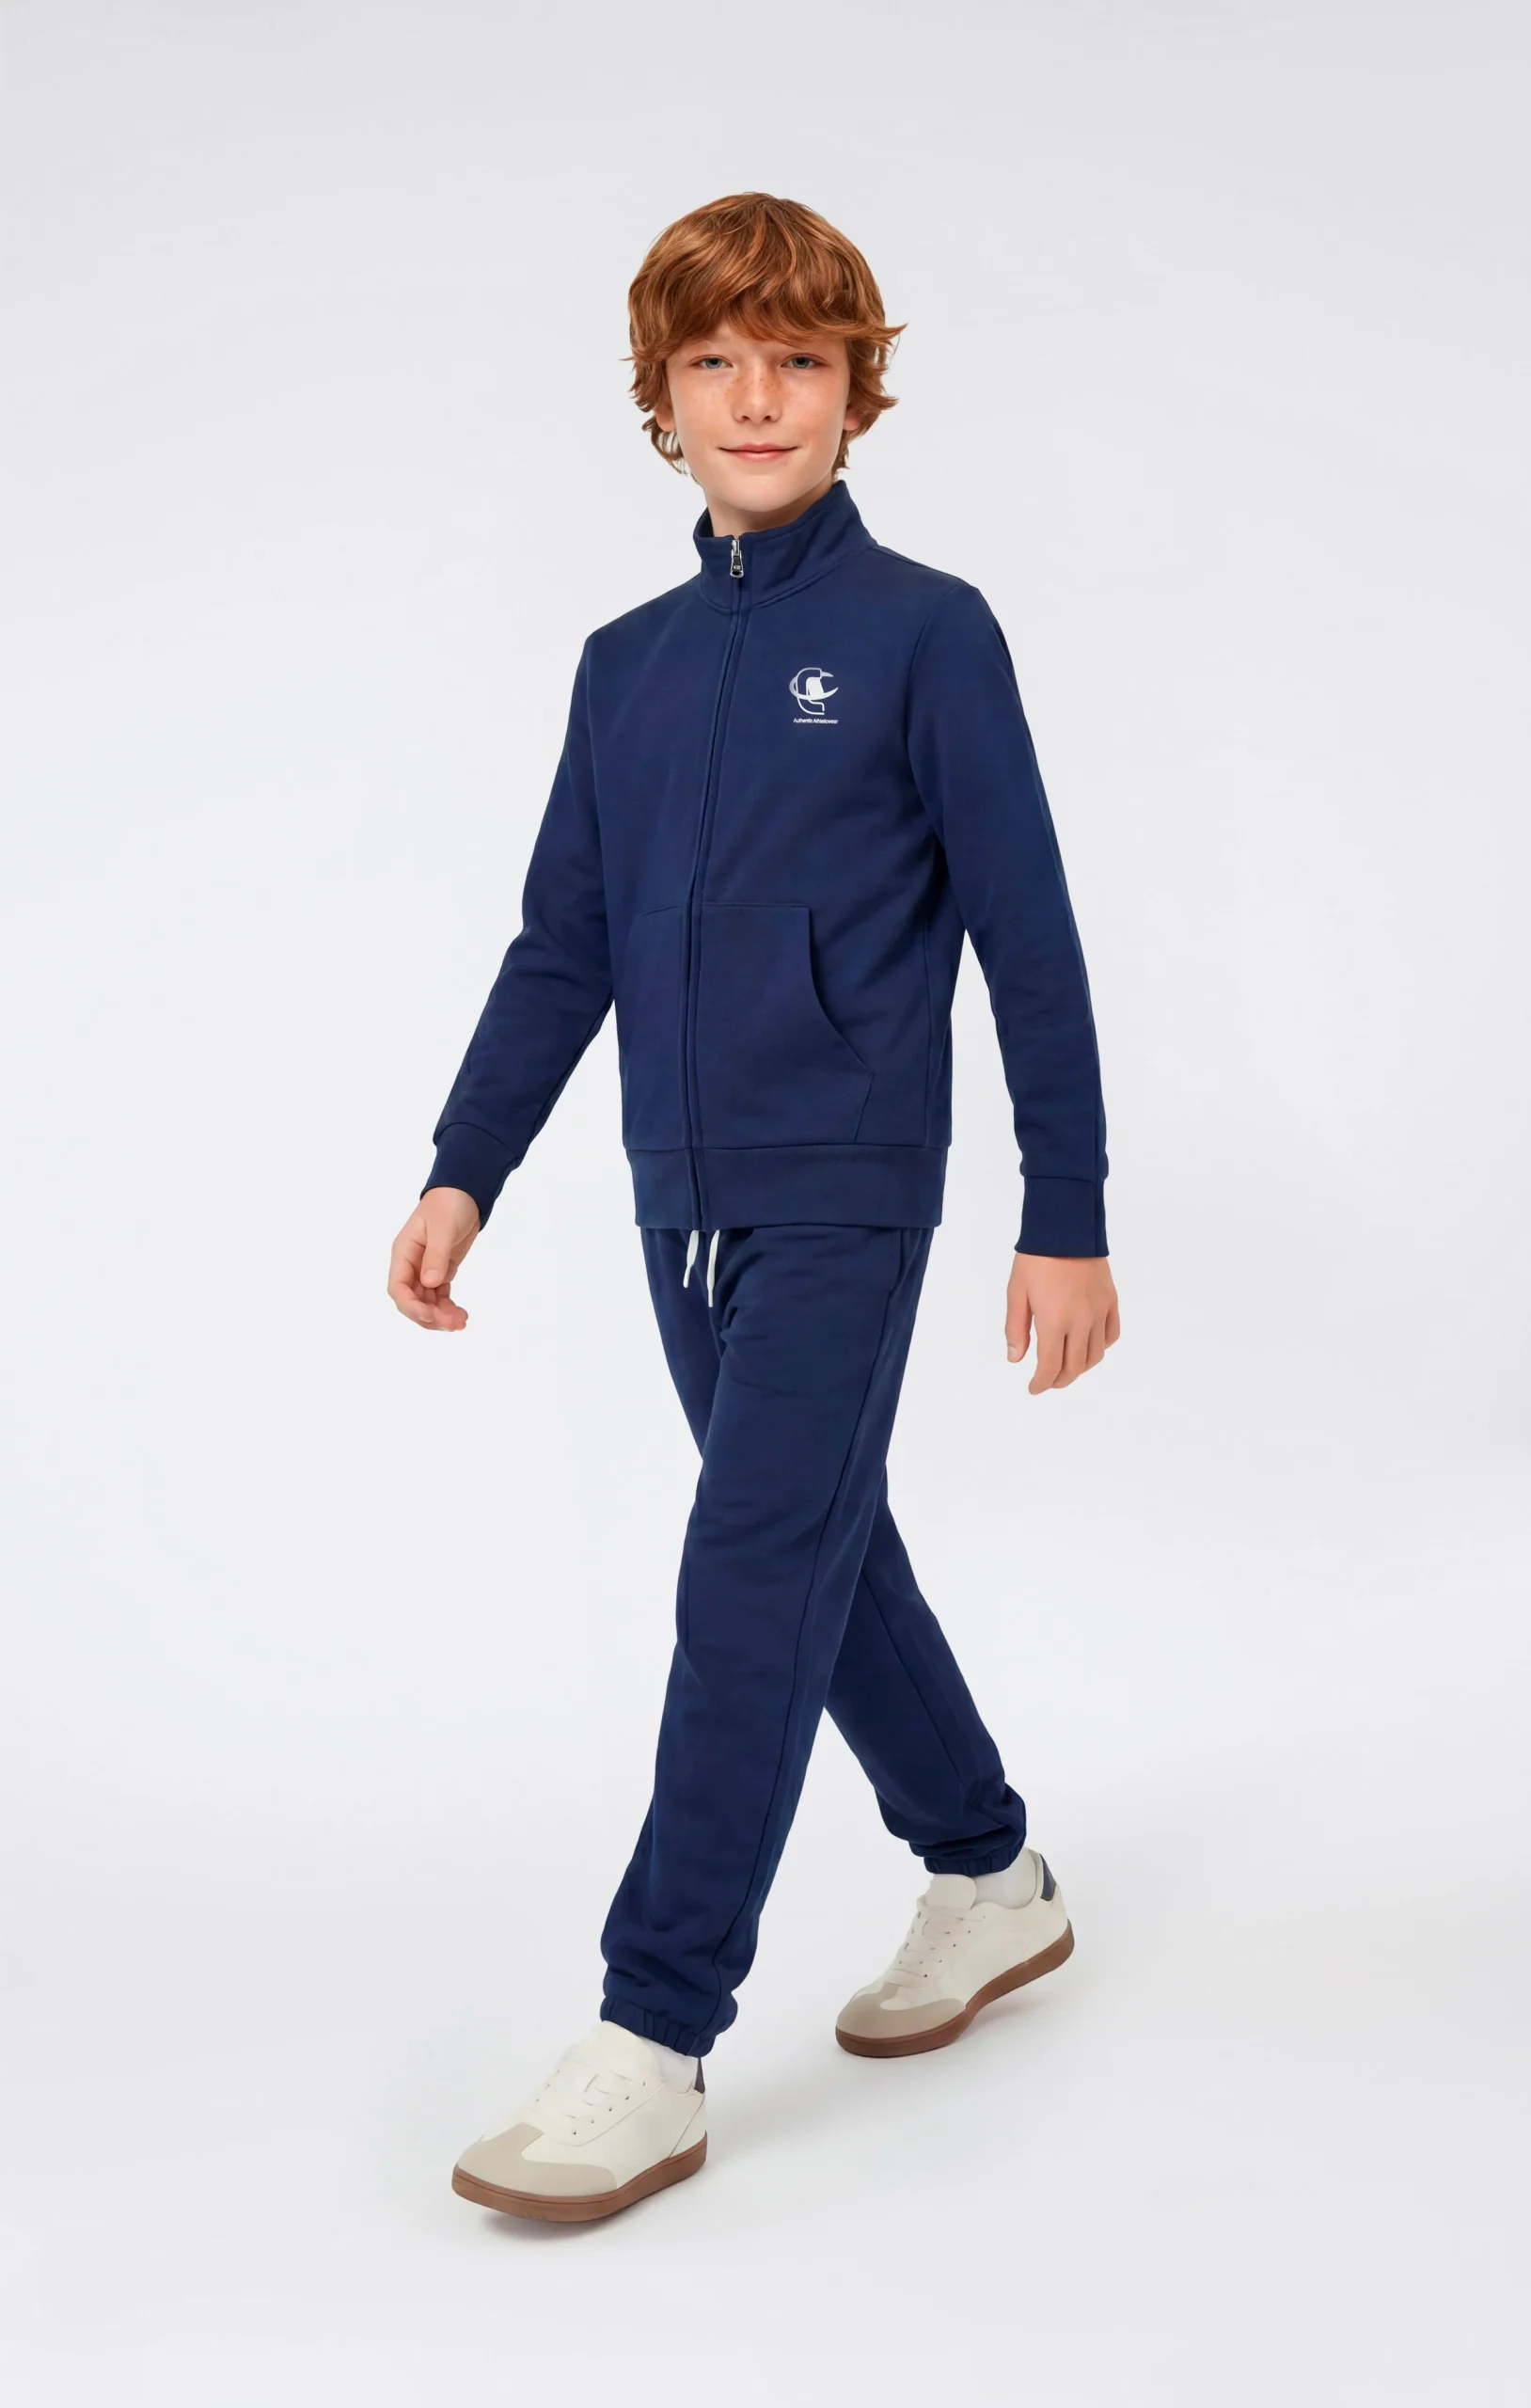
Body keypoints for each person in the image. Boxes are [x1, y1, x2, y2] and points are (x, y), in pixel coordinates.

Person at [387, 191, 1119, 2226]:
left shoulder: (924, 632)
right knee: (815, 1552)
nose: (757, 396)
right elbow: (565, 941)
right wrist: (464, 1164)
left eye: (799, 359)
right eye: (714, 362)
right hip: (677, 1198)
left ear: (857, 390)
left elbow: (1028, 931)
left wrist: (1064, 1207)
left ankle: (652, 2030)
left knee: (743, 1580)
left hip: (847, 1192)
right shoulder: (622, 666)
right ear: (663, 398)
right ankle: (988, 1872)